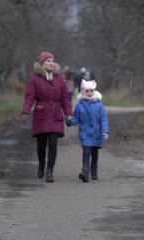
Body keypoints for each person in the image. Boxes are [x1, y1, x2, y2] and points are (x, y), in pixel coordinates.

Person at [21, 51, 73, 183]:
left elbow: (65, 99)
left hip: (55, 115)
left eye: (52, 61)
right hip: (41, 114)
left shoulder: (60, 79)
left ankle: (50, 170)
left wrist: (68, 114)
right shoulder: (35, 79)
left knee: (53, 143)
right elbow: (30, 96)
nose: (51, 63)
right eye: (48, 61)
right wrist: (26, 111)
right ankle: (41, 163)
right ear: (41, 64)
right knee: (41, 144)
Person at [66, 79, 109, 182]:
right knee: (86, 152)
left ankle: (94, 171)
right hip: (85, 133)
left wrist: (105, 132)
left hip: (96, 133)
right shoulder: (80, 106)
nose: (89, 93)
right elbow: (76, 119)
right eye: (87, 91)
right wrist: (70, 120)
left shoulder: (99, 105)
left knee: (94, 153)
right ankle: (85, 172)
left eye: (91, 91)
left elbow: (103, 120)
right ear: (83, 92)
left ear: (94, 92)